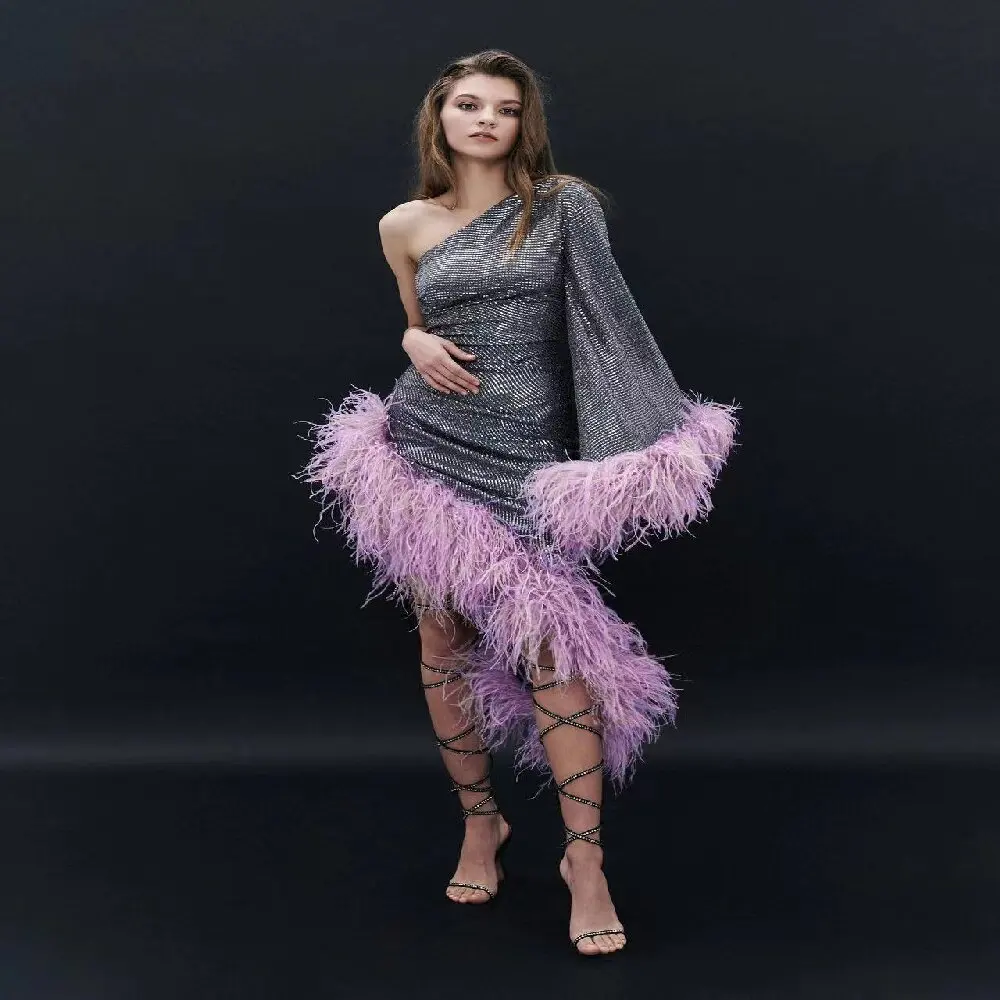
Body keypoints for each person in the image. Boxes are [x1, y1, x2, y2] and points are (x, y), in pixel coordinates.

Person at [299, 49, 740, 956]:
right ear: (441, 116)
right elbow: (418, 321)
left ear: (521, 123)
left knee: (553, 646)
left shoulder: (562, 205)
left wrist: (632, 443)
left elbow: (606, 320)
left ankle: (585, 860)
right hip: (430, 445)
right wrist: (412, 343)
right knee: (442, 637)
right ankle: (481, 824)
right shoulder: (404, 223)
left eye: (503, 107)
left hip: (526, 451)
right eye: (469, 103)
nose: (485, 119)